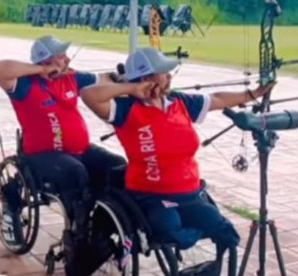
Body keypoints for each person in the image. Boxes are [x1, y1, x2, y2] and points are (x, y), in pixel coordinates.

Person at [80, 47, 272, 251]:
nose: (169, 76)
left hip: (189, 194)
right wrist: (130, 88)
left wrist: (253, 94)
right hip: (151, 196)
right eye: (163, 73)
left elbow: (219, 99)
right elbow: (88, 94)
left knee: (223, 230)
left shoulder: (179, 102)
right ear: (147, 78)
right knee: (168, 228)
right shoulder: (125, 109)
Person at [0, 35, 126, 245]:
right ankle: (78, 230)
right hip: (41, 155)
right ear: (46, 61)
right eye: (61, 57)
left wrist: (124, 81)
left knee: (118, 165)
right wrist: (41, 71)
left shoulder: (72, 78)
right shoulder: (24, 84)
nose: (68, 60)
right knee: (74, 171)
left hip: (79, 149)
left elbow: (103, 79)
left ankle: (103, 221)